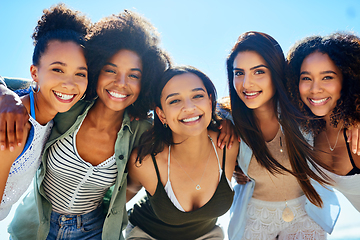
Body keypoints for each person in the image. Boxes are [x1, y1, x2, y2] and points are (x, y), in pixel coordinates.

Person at [7, 10, 170, 240]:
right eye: (111, 70)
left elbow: (185, 122)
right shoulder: (66, 103)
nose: (120, 83)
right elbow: (21, 85)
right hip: (35, 227)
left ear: (145, 82)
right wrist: (5, 95)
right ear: (97, 69)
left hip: (94, 231)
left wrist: (225, 122)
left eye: (133, 75)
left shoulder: (142, 130)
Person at [225, 31, 340, 240]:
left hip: (305, 212)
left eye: (258, 72)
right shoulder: (230, 121)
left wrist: (355, 119)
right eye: (239, 73)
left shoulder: (302, 110)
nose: (246, 84)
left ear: (275, 72)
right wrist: (219, 122)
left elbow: (340, 104)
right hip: (255, 216)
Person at [125, 66, 239, 240]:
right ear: (161, 115)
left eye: (197, 96)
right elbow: (122, 194)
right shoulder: (146, 161)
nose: (189, 107)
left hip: (208, 235)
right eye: (174, 101)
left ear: (209, 101)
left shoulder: (229, 146)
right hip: (147, 235)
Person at [0, 4, 89, 221]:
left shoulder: (49, 113)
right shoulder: (16, 125)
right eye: (57, 69)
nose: (69, 84)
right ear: (35, 73)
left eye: (80, 73)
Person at [286, 32, 360, 212]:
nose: (315, 89)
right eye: (306, 78)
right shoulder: (310, 130)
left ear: (347, 79)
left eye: (327, 77)